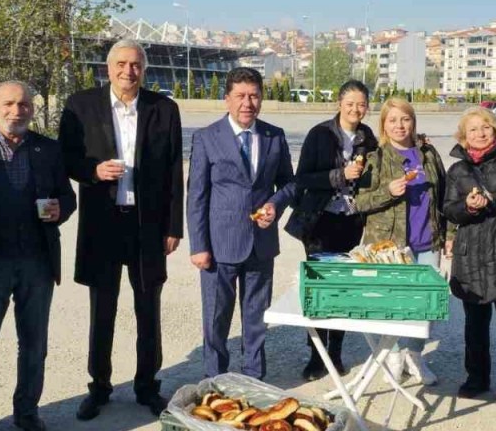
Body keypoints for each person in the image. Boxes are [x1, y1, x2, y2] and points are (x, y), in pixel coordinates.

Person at [58, 40, 184, 420]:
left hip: (147, 226)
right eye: (122, 64)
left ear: (144, 70)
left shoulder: (163, 109)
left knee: (149, 311)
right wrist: (92, 171)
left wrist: (173, 226)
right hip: (104, 225)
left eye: (136, 65)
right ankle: (99, 387)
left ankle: (147, 385)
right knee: (103, 310)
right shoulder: (81, 105)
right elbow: (64, 158)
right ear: (108, 67)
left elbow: (175, 172)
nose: (129, 71)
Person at [0, 81, 78, 431]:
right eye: (8, 104)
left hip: (37, 263)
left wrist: (60, 209)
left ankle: (27, 412)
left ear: (33, 109)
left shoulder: (48, 150)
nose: (17, 111)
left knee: (34, 345)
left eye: (24, 105)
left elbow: (68, 199)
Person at [187, 66, 297, 380]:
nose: (247, 103)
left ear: (261, 99)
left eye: (254, 96)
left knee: (257, 318)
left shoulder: (274, 136)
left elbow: (289, 184)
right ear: (227, 100)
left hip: (261, 244)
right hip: (219, 246)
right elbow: (196, 196)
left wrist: (275, 205)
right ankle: (215, 379)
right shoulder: (207, 137)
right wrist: (199, 246)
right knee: (216, 319)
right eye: (240, 96)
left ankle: (252, 378)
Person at [283, 79, 378, 380]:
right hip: (320, 221)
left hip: (350, 222)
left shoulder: (368, 137)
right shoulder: (319, 134)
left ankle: (335, 352)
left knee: (343, 289)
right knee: (320, 290)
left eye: (361, 104)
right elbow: (303, 179)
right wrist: (339, 175)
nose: (355, 109)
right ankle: (315, 355)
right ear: (338, 103)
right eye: (350, 103)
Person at [354, 96, 448, 386]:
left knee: (426, 304)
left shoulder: (428, 154)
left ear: (413, 122)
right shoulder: (377, 157)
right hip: (389, 246)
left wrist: (449, 235)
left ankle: (415, 353)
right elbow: (359, 202)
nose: (399, 125)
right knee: (391, 302)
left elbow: (445, 195)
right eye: (392, 120)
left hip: (427, 240)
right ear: (383, 124)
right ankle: (393, 354)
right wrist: (388, 192)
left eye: (405, 119)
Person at [440, 106, 496, 403]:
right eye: (473, 129)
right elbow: (449, 210)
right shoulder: (458, 170)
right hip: (471, 256)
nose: (480, 133)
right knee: (474, 325)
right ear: (464, 136)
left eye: (486, 127)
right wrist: (468, 208)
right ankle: (476, 377)